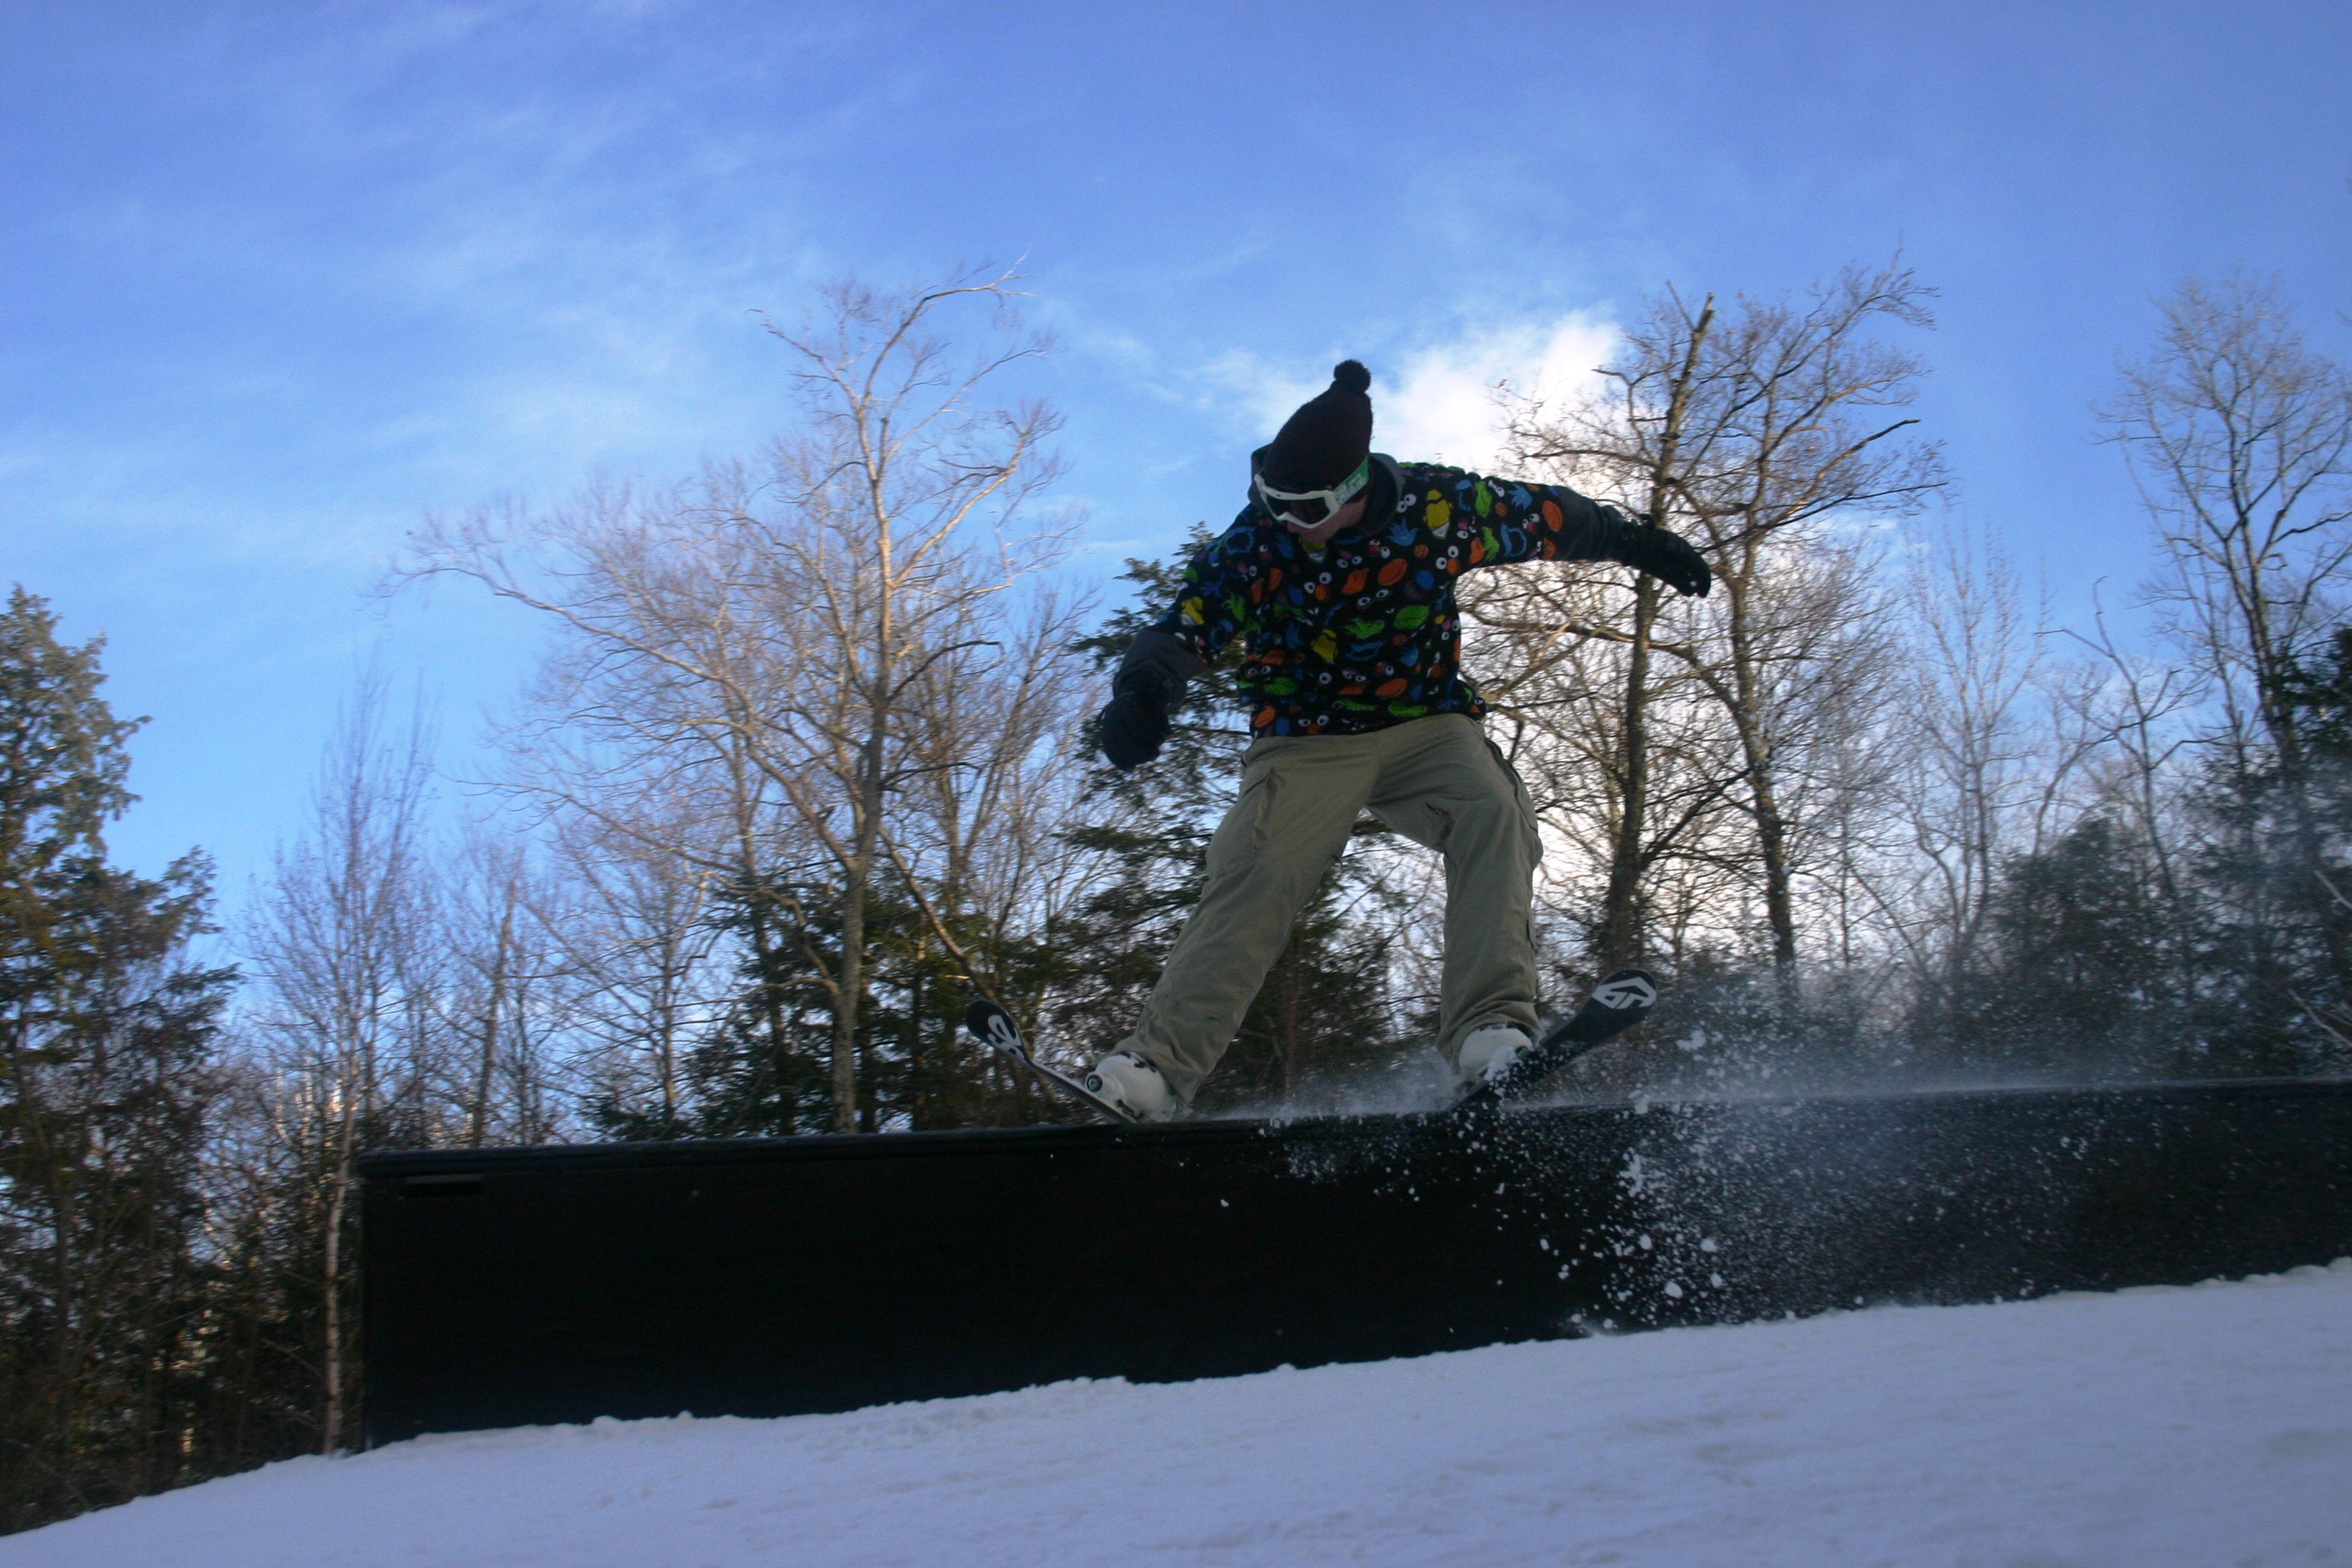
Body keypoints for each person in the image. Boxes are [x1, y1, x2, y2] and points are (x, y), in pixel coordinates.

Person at [1083, 360, 1712, 1121]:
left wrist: (1636, 541)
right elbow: (1183, 626)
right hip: (1307, 736)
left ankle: (1491, 1030)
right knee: (1259, 864)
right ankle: (1156, 1069)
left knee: (1495, 813)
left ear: (1350, 489)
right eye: (1272, 502)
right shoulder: (1258, 544)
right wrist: (1143, 693)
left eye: (1306, 506)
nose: (1288, 520)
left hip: (1427, 723)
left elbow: (1548, 515)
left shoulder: (1440, 507)